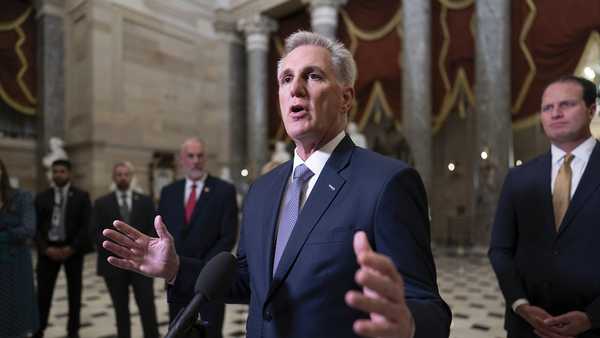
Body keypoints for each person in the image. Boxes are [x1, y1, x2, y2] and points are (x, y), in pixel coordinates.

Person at [102, 31, 451, 338]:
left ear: (345, 98)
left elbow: (429, 308)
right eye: (286, 79)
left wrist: (408, 326)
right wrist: (176, 268)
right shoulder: (264, 188)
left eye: (312, 76)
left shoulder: (388, 183)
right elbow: (249, 277)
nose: (295, 88)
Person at [489, 75, 600, 338]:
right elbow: (500, 250)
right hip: (527, 326)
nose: (555, 113)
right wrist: (520, 304)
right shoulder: (519, 177)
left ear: (591, 109)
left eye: (566, 105)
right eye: (547, 108)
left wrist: (592, 317)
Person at [158, 137, 239, 338]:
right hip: (177, 277)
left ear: (205, 159)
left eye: (200, 156)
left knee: (211, 332)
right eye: (190, 156)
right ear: (181, 159)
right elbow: (161, 233)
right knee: (179, 331)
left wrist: (203, 268)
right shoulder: (169, 192)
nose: (195, 160)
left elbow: (228, 236)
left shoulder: (224, 191)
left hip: (209, 278)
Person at [93, 162, 159, 338]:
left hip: (142, 263)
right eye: (119, 174)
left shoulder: (145, 201)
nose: (123, 177)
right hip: (114, 264)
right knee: (120, 309)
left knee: (147, 306)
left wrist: (139, 248)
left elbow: (153, 231)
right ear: (114, 178)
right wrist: (118, 247)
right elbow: (96, 232)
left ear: (132, 176)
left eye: (126, 174)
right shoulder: (101, 203)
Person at [34, 159, 92, 338]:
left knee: (74, 294)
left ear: (69, 174)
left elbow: (87, 225)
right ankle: (39, 329)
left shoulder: (82, 196)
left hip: (72, 250)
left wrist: (72, 248)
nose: (58, 174)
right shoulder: (42, 197)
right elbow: (34, 227)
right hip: (47, 251)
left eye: (62, 171)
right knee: (43, 294)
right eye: (55, 171)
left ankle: (73, 331)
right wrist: (45, 249)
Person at [0, 158, 39, 337]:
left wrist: (4, 234)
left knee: (17, 315)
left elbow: (28, 229)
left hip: (16, 265)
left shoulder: (21, 196)